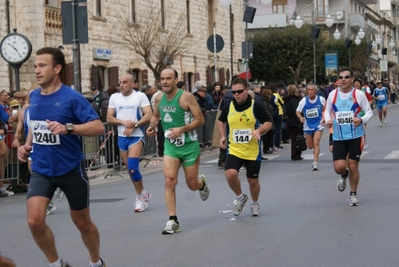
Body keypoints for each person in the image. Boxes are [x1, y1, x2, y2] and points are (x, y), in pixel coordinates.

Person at [17, 47, 106, 267]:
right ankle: (56, 264)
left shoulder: (72, 98)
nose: (37, 70)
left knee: (82, 222)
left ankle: (96, 263)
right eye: (35, 66)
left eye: (42, 65)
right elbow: (35, 126)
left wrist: (68, 128)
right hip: (42, 169)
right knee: (34, 220)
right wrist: (26, 147)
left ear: (57, 68)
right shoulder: (34, 97)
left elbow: (97, 127)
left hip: (70, 170)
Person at [146, 68, 210, 234]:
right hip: (171, 146)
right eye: (162, 79)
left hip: (189, 146)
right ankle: (173, 220)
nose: (165, 81)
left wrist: (182, 129)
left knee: (192, 185)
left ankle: (201, 183)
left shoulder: (186, 97)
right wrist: (152, 126)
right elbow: (155, 116)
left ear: (176, 80)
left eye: (168, 78)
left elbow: (200, 120)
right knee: (169, 181)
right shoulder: (159, 98)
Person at [217, 77, 272, 217]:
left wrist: (259, 131)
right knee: (230, 174)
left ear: (246, 90)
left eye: (240, 91)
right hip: (234, 149)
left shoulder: (256, 106)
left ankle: (254, 203)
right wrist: (222, 135)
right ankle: (241, 197)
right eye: (233, 92)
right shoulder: (228, 107)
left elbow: (268, 123)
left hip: (252, 151)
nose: (236, 94)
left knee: (252, 181)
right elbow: (220, 120)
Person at [324, 67, 373, 206]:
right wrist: (328, 120)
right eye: (341, 77)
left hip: (355, 135)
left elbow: (369, 112)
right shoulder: (333, 95)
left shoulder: (358, 94)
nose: (343, 80)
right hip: (338, 136)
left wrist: (361, 120)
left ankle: (353, 194)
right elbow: (327, 111)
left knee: (352, 165)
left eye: (346, 77)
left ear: (352, 79)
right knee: (339, 167)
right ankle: (343, 175)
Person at [107, 74, 152, 212]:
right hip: (121, 137)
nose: (121, 85)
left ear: (132, 84)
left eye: (124, 82)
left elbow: (148, 114)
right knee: (130, 171)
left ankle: (139, 198)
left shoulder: (140, 96)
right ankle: (143, 192)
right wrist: (122, 122)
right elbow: (109, 117)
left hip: (136, 136)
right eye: (120, 82)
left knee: (132, 167)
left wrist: (135, 125)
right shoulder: (114, 97)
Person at [296, 83, 325, 171]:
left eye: (312, 90)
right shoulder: (304, 101)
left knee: (316, 142)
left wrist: (324, 118)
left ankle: (315, 163)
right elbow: (297, 111)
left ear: (316, 91)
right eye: (309, 90)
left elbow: (326, 109)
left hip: (318, 124)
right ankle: (313, 152)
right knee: (310, 146)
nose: (310, 91)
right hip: (308, 125)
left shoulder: (321, 99)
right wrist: (301, 118)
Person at [284, 84, 303, 160]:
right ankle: (296, 154)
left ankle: (295, 154)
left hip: (291, 121)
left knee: (294, 138)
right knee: (297, 138)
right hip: (295, 122)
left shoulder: (288, 100)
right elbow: (297, 110)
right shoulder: (294, 100)